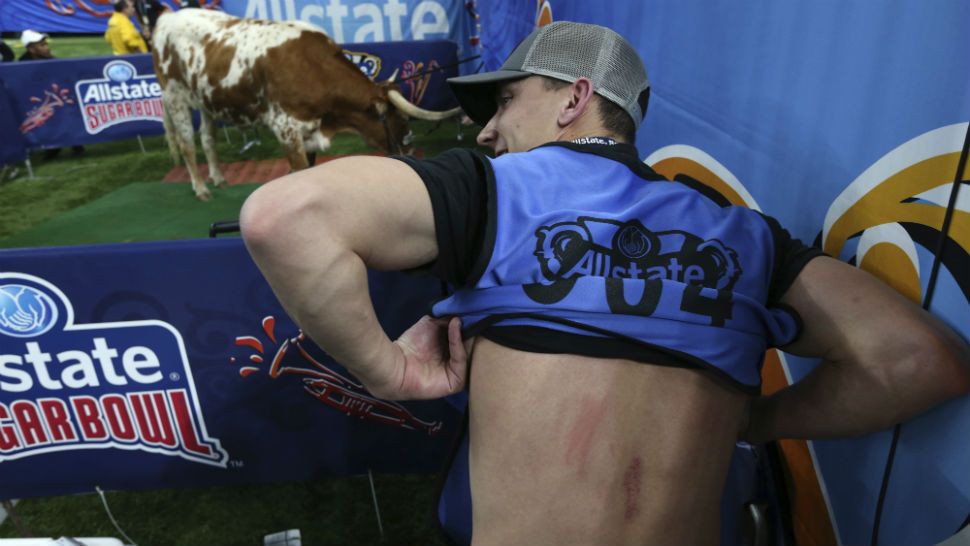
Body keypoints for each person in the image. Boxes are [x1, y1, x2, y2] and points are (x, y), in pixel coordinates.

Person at [239, 21, 970, 545]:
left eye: (504, 103)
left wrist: (389, 372)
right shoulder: (745, 235)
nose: (488, 132)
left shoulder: (500, 191)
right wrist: (758, 422)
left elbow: (284, 217)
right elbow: (920, 361)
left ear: (571, 98)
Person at [18, 30, 86, 159]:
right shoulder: (21, 65)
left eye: (46, 44)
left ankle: (76, 144)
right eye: (42, 45)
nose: (47, 48)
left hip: (57, 98)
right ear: (31, 49)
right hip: (39, 103)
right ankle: (53, 147)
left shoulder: (53, 60)